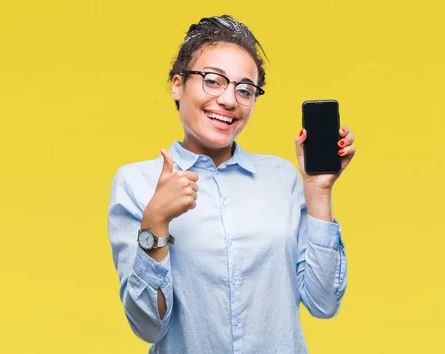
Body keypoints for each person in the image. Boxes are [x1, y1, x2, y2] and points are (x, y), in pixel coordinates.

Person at [107, 14, 356, 354]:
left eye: (244, 89)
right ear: (177, 85)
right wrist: (155, 223)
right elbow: (149, 326)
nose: (228, 100)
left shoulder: (282, 178)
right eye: (213, 80)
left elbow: (324, 303)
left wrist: (318, 190)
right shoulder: (137, 182)